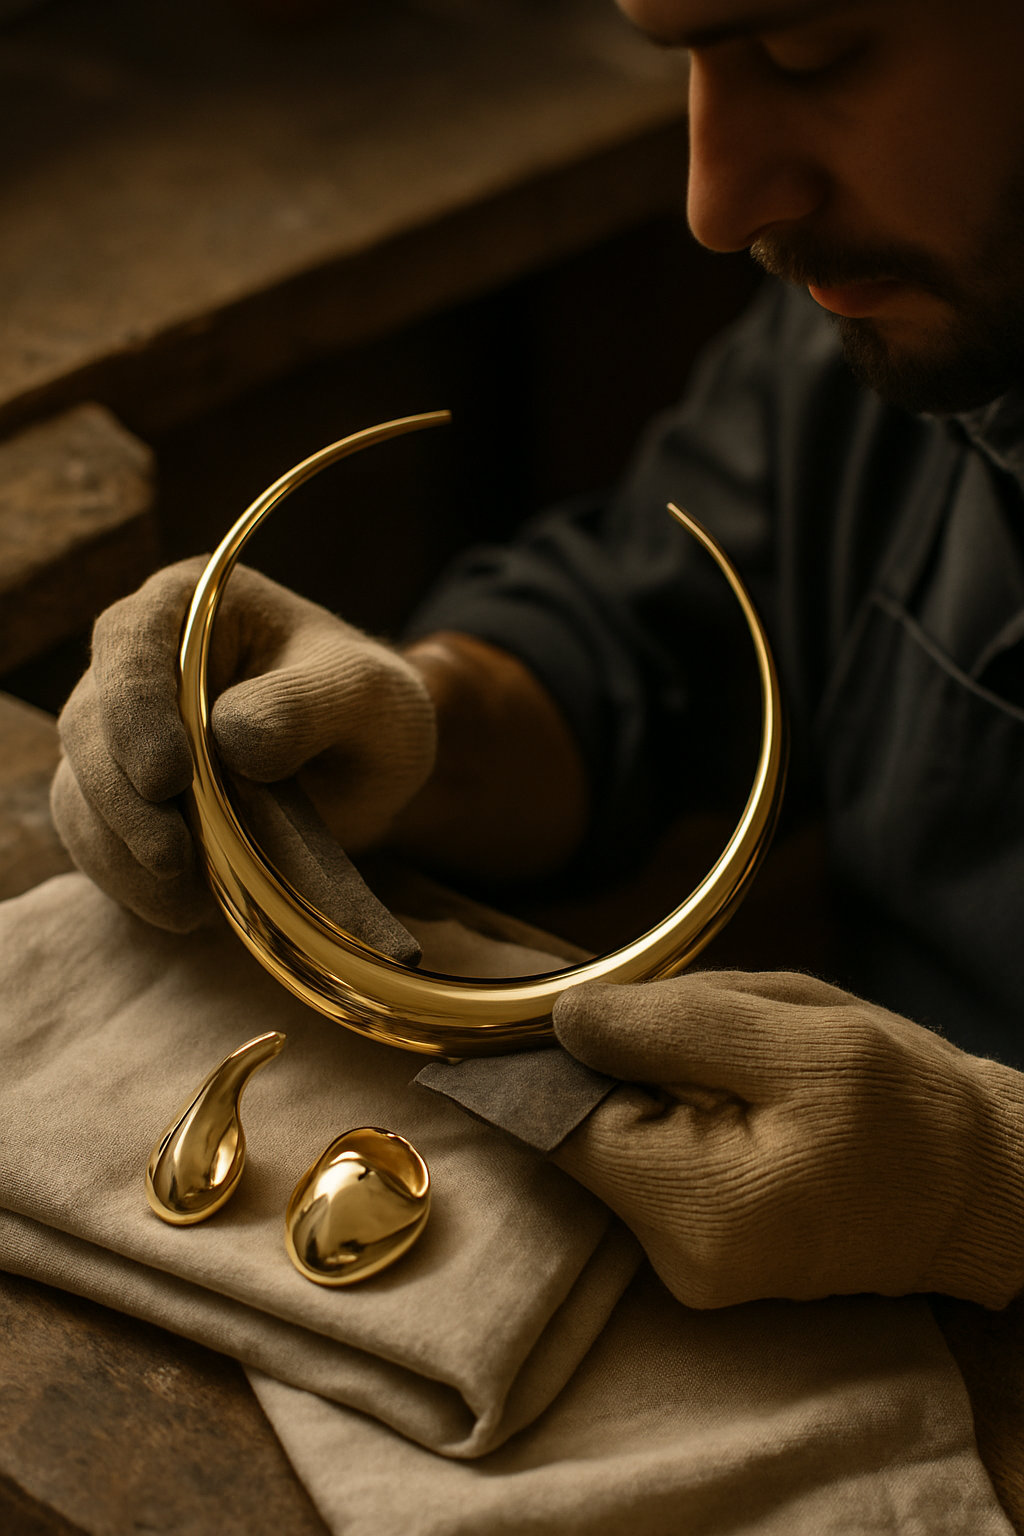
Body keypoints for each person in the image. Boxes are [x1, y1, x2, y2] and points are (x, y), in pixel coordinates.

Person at [51, 0, 1024, 1314]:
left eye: (811, 53)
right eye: (686, 61)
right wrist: (417, 726)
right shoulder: (921, 293)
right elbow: (648, 634)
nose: (716, 203)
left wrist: (994, 1193)